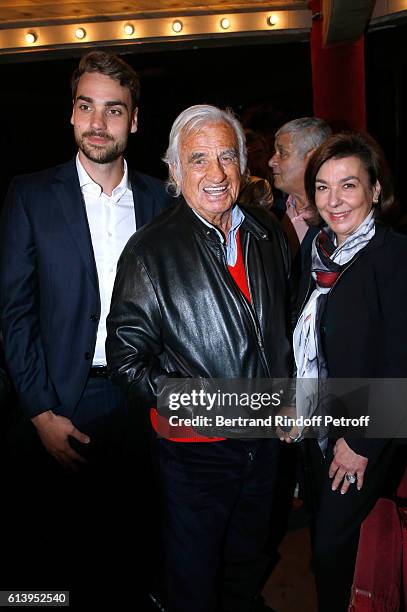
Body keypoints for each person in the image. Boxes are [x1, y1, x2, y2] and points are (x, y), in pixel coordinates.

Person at [106, 104, 294, 612]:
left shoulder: (267, 233)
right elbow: (126, 361)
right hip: (196, 451)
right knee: (192, 576)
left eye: (227, 157)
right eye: (199, 159)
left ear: (242, 165)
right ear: (173, 171)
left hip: (266, 439)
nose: (216, 174)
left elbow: (284, 329)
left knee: (245, 563)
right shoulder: (150, 252)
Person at [0, 50, 170, 605]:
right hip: (67, 400)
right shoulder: (29, 195)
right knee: (61, 560)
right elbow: (15, 313)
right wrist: (41, 413)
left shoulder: (160, 201)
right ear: (71, 114)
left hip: (146, 402)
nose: (98, 123)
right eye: (86, 107)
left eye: (113, 110)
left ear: (135, 121)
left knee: (138, 546)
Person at [287, 132, 407, 611]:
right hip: (318, 427)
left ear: (376, 190)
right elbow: (307, 340)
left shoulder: (394, 257)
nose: (333, 201)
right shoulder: (315, 253)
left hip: (364, 434)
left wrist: (362, 442)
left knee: (336, 550)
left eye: (349, 186)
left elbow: (400, 357)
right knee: (328, 545)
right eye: (322, 187)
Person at [268, 117, 331, 271]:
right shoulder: (272, 212)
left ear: (313, 158)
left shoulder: (336, 221)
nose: (271, 161)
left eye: (282, 153)